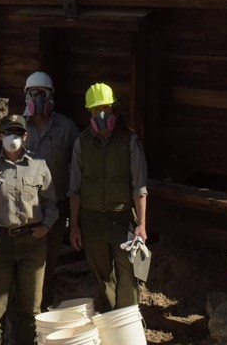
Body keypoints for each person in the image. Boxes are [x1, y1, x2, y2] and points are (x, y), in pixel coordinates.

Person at [0, 114, 58, 345]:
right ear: (0, 136)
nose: (12, 138)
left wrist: (46, 226)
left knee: (31, 310)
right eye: (8, 133)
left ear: (25, 136)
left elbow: (51, 202)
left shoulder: (39, 164)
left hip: (32, 245)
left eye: (17, 133)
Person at [68, 83, 148, 312]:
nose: (101, 114)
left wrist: (141, 224)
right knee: (102, 278)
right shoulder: (82, 143)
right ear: (89, 112)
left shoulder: (130, 141)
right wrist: (74, 225)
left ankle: (129, 324)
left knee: (128, 277)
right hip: (91, 220)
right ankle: (112, 323)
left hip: (121, 219)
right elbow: (74, 189)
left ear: (114, 109)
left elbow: (139, 187)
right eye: (95, 110)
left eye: (104, 108)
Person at [22, 71, 79, 310]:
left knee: (48, 264)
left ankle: (41, 314)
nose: (38, 98)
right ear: (26, 97)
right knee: (24, 266)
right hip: (24, 212)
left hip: (55, 212)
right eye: (33, 93)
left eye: (42, 93)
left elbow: (78, 169)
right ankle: (22, 316)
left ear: (51, 96)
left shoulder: (66, 128)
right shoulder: (17, 129)